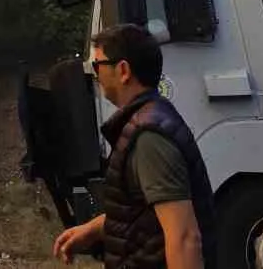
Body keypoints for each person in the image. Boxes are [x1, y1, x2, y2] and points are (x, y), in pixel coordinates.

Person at [52, 24, 217, 269]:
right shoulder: (149, 118)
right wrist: (92, 229)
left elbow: (184, 238)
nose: (95, 75)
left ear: (123, 70)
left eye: (98, 65)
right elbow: (140, 213)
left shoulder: (148, 136)